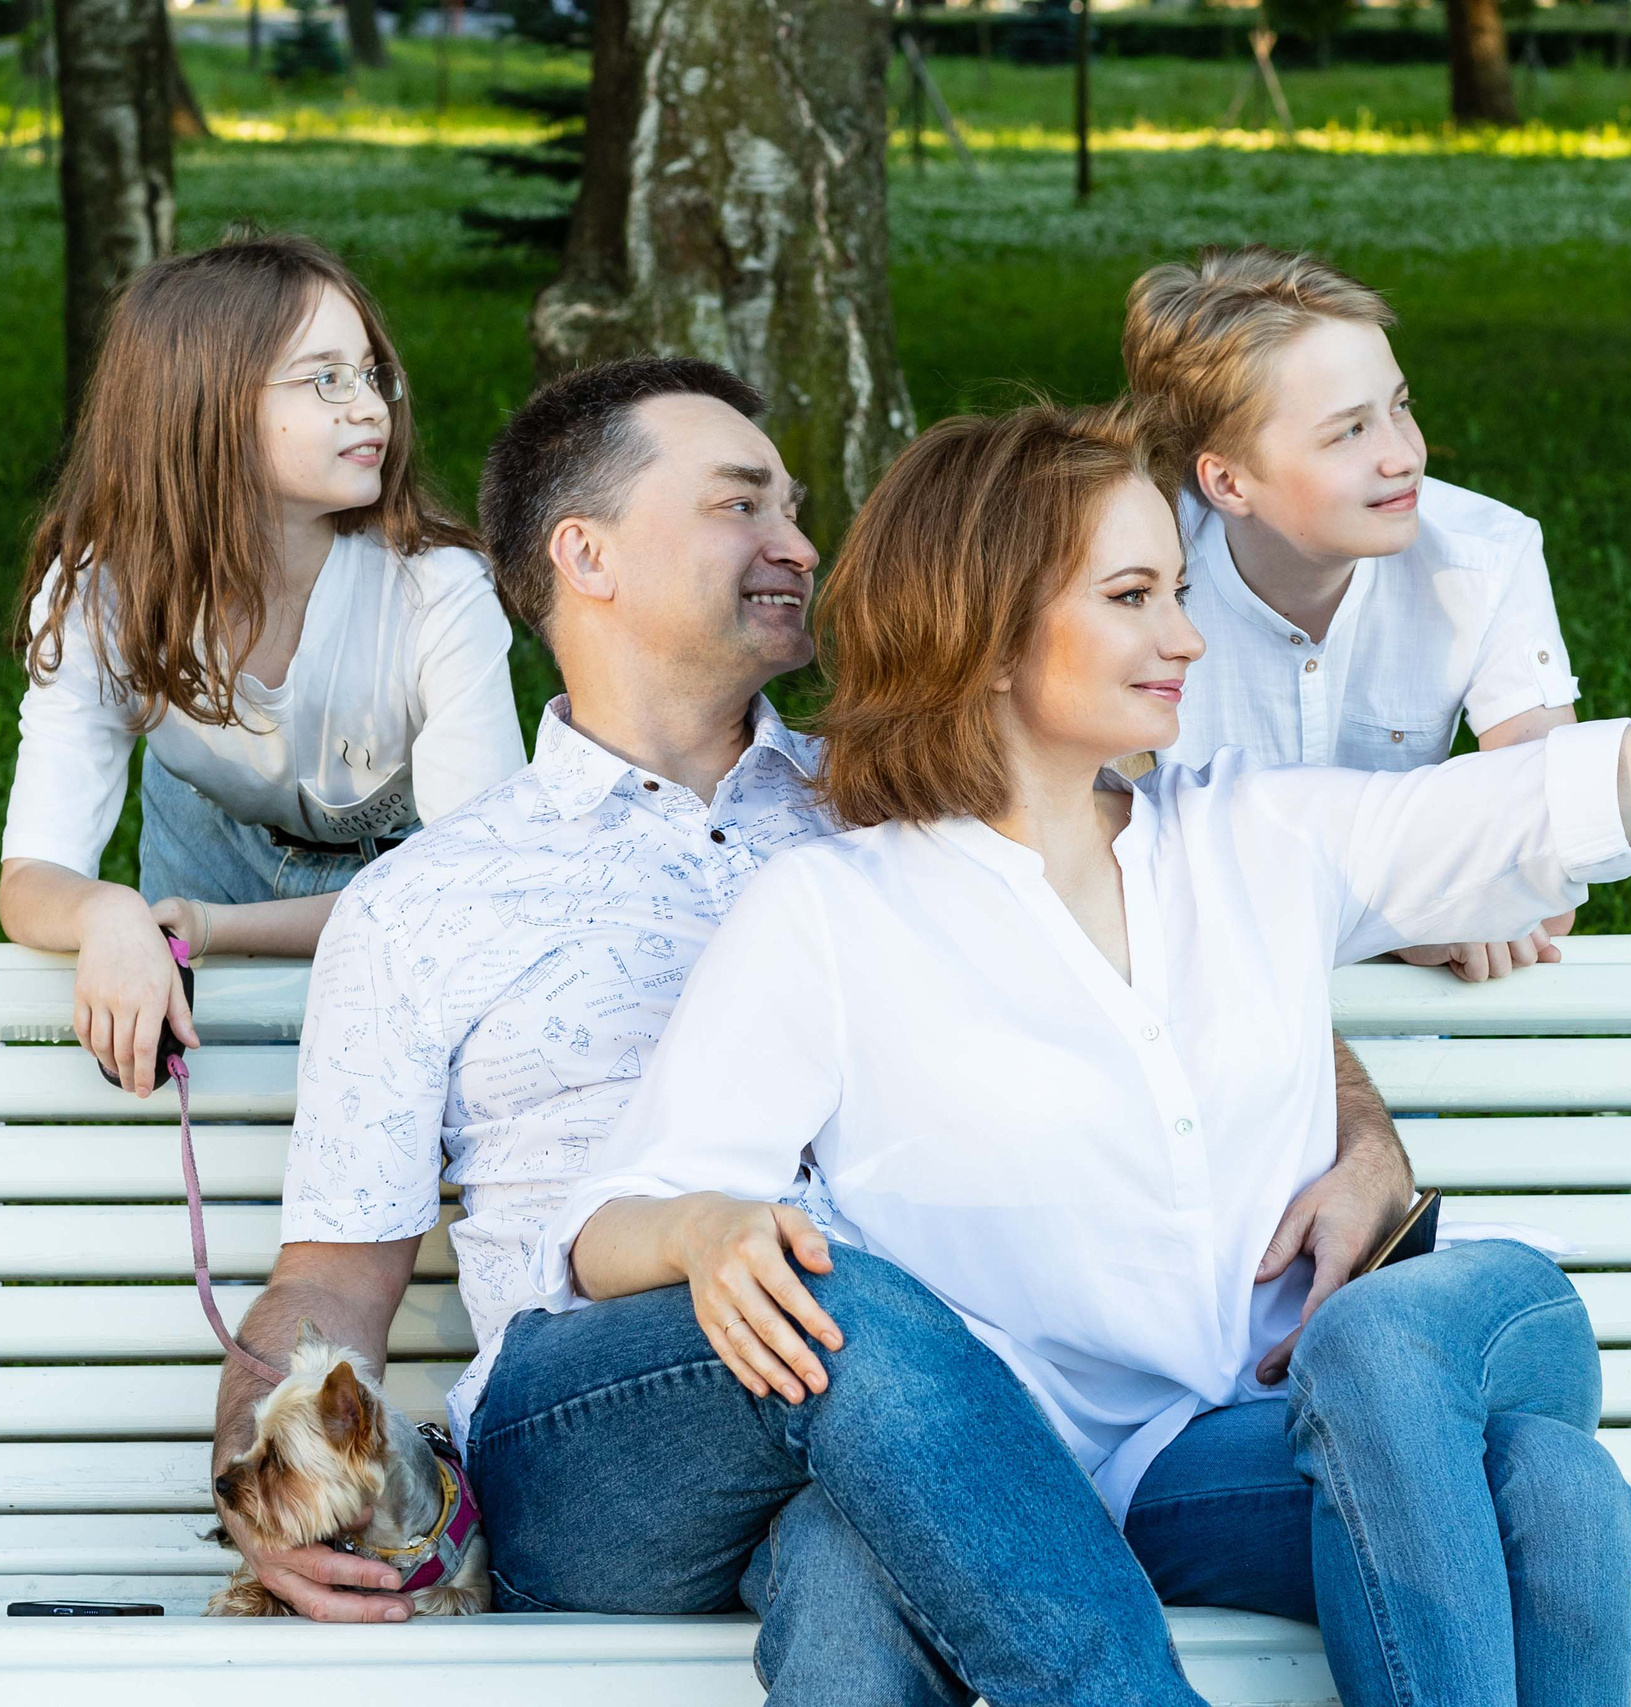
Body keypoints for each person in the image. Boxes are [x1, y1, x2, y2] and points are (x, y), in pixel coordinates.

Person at [540, 401, 1631, 1707]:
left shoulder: (1255, 839)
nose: (1184, 635)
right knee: (1553, 1487)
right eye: (1131, 597)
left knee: (1490, 1414)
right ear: (976, 631)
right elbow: (618, 1222)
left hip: (1195, 1458)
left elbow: (1558, 793)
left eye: (1175, 586)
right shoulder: (839, 912)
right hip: (991, 1477)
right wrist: (704, 1226)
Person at [214, 358, 1388, 1704]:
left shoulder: (918, 806)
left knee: (848, 1563)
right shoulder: (426, 899)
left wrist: (1359, 1141)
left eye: (795, 503)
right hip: (606, 1438)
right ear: (583, 553)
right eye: (740, 505)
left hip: (927, 1423)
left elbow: (1194, 970)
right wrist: (265, 1482)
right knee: (836, 1295)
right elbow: (328, 1279)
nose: (801, 542)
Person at [0, 234, 525, 1098]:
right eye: (325, 379)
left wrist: (214, 927)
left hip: (408, 882)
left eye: (371, 372)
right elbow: (31, 876)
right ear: (203, 405)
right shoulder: (104, 594)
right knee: (218, 1112)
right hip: (206, 844)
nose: (369, 407)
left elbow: (472, 894)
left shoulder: (436, 590)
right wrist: (109, 913)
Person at [1126, 244, 1577, 983]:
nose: (1404, 456)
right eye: (1350, 431)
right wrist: (1398, 914)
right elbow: (1097, 869)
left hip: (1418, 1023)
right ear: (1229, 481)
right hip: (1190, 1009)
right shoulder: (1130, 581)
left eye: (1399, 407)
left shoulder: (1484, 557)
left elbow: (1548, 845)